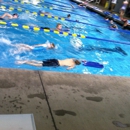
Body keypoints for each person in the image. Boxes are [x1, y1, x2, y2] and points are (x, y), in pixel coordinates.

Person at [16, 58, 81, 70]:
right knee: (39, 65)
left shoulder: (72, 59)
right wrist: (73, 67)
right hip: (56, 64)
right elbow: (67, 69)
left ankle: (26, 60)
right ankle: (24, 62)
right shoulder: (73, 65)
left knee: (40, 61)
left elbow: (76, 59)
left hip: (56, 60)